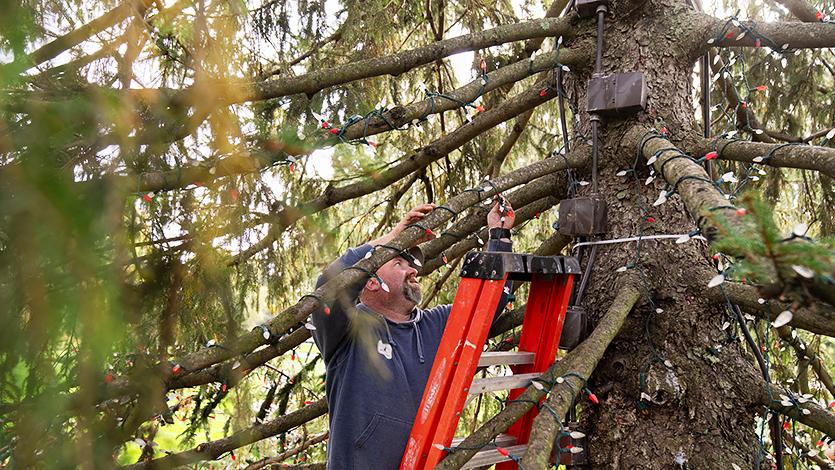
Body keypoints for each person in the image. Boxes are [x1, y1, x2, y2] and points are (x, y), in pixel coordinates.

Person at [310, 199, 515, 470]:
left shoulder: (435, 325)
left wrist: (499, 236)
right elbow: (328, 287)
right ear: (371, 281)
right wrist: (392, 238)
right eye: (398, 263)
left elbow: (490, 303)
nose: (413, 270)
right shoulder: (348, 329)